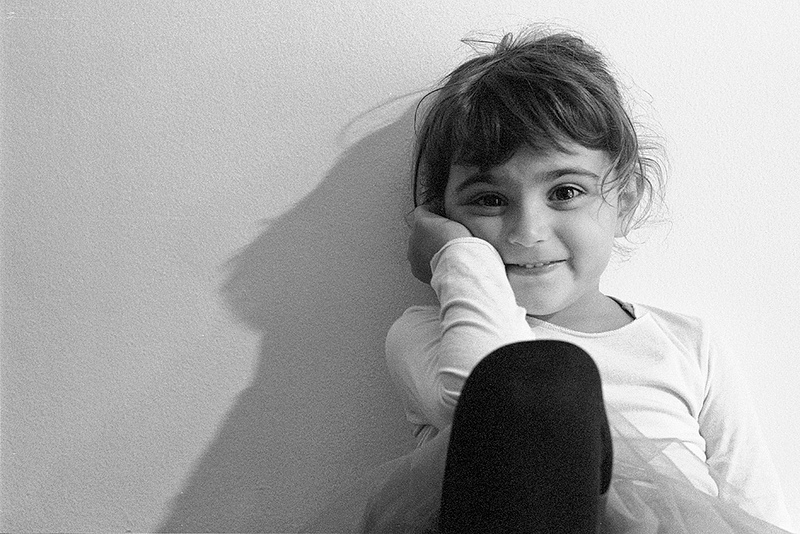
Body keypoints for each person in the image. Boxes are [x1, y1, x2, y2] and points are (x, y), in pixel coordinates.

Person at [303, 29, 793, 534]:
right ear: (441, 217)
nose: (527, 232)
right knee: (549, 380)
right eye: (489, 200)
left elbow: (753, 513)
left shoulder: (689, 344)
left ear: (625, 201)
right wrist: (459, 256)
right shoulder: (428, 333)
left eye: (565, 192)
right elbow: (497, 398)